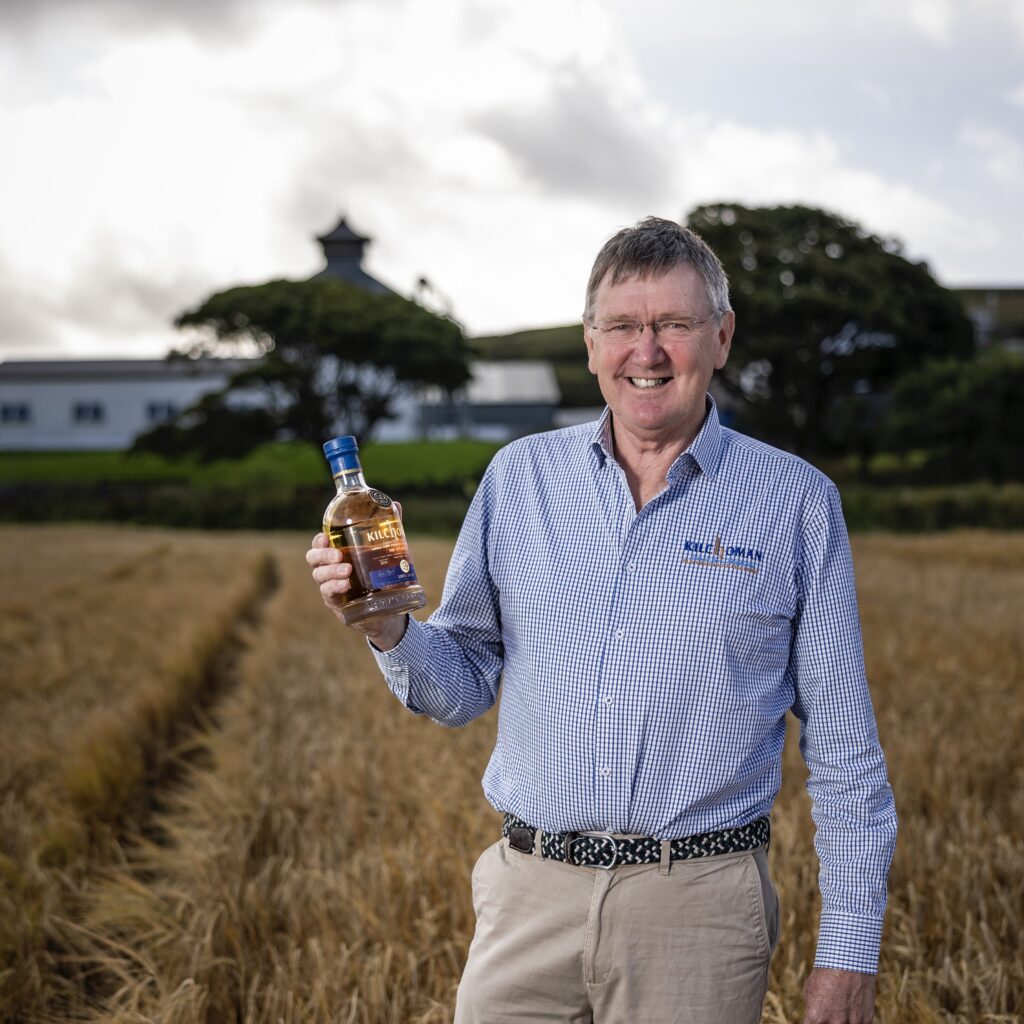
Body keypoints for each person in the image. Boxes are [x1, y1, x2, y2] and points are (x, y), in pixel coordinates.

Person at [307, 217, 897, 1024]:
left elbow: (845, 749)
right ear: (591, 344)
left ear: (721, 337)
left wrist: (850, 951)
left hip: (699, 912)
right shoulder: (519, 479)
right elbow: (461, 689)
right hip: (528, 900)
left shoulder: (795, 502)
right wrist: (387, 630)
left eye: (674, 326)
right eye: (622, 326)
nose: (645, 352)